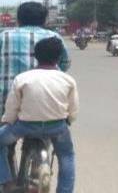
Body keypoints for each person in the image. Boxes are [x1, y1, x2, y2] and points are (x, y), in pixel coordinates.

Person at [0, 37, 78, 193]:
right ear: (58, 58)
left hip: (25, 126)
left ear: (35, 56)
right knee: (67, 156)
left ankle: (6, 181)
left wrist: (6, 122)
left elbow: (12, 108)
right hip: (57, 127)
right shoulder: (68, 79)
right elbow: (73, 109)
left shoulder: (22, 78)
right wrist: (68, 121)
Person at [0, 3, 70, 120]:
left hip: (5, 100)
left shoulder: (3, 36)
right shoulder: (54, 37)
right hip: (46, 101)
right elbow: (65, 63)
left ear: (18, 19)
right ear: (44, 20)